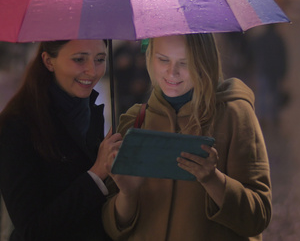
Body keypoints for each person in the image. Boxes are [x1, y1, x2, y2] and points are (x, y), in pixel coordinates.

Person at [102, 34, 272, 240]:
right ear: (149, 57)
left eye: (185, 62)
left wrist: (213, 180)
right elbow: (113, 229)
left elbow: (257, 218)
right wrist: (127, 194)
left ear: (204, 61)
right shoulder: (134, 121)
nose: (172, 72)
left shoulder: (234, 114)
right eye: (163, 59)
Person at [0, 39, 122, 241]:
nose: (93, 71)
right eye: (79, 59)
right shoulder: (16, 127)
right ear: (49, 61)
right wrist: (96, 174)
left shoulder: (90, 111)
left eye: (100, 59)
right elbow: (32, 230)